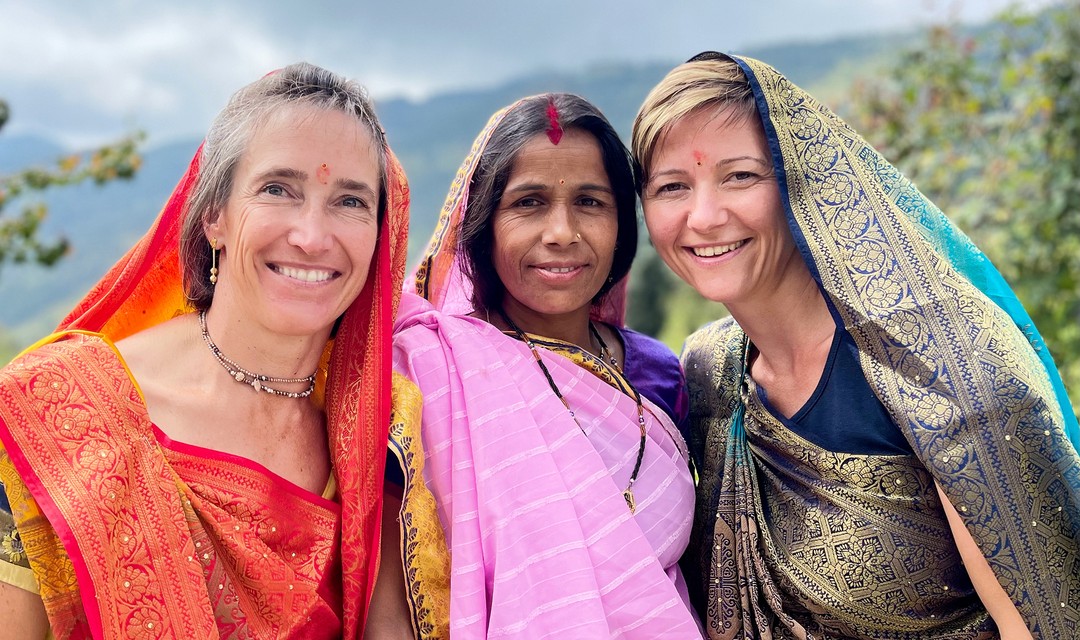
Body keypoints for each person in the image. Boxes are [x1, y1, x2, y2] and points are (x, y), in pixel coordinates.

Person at [632, 52, 1080, 639]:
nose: (705, 215)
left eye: (740, 175)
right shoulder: (708, 374)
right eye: (672, 187)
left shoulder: (941, 367)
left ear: (802, 180)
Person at [0, 62, 411, 639]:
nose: (313, 236)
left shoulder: (380, 448)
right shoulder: (59, 407)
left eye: (350, 202)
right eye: (277, 190)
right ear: (214, 215)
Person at [386, 93, 702, 638]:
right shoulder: (429, 377)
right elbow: (390, 601)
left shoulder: (659, 375)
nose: (561, 232)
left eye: (590, 202)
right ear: (483, 225)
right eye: (529, 202)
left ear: (623, 225)